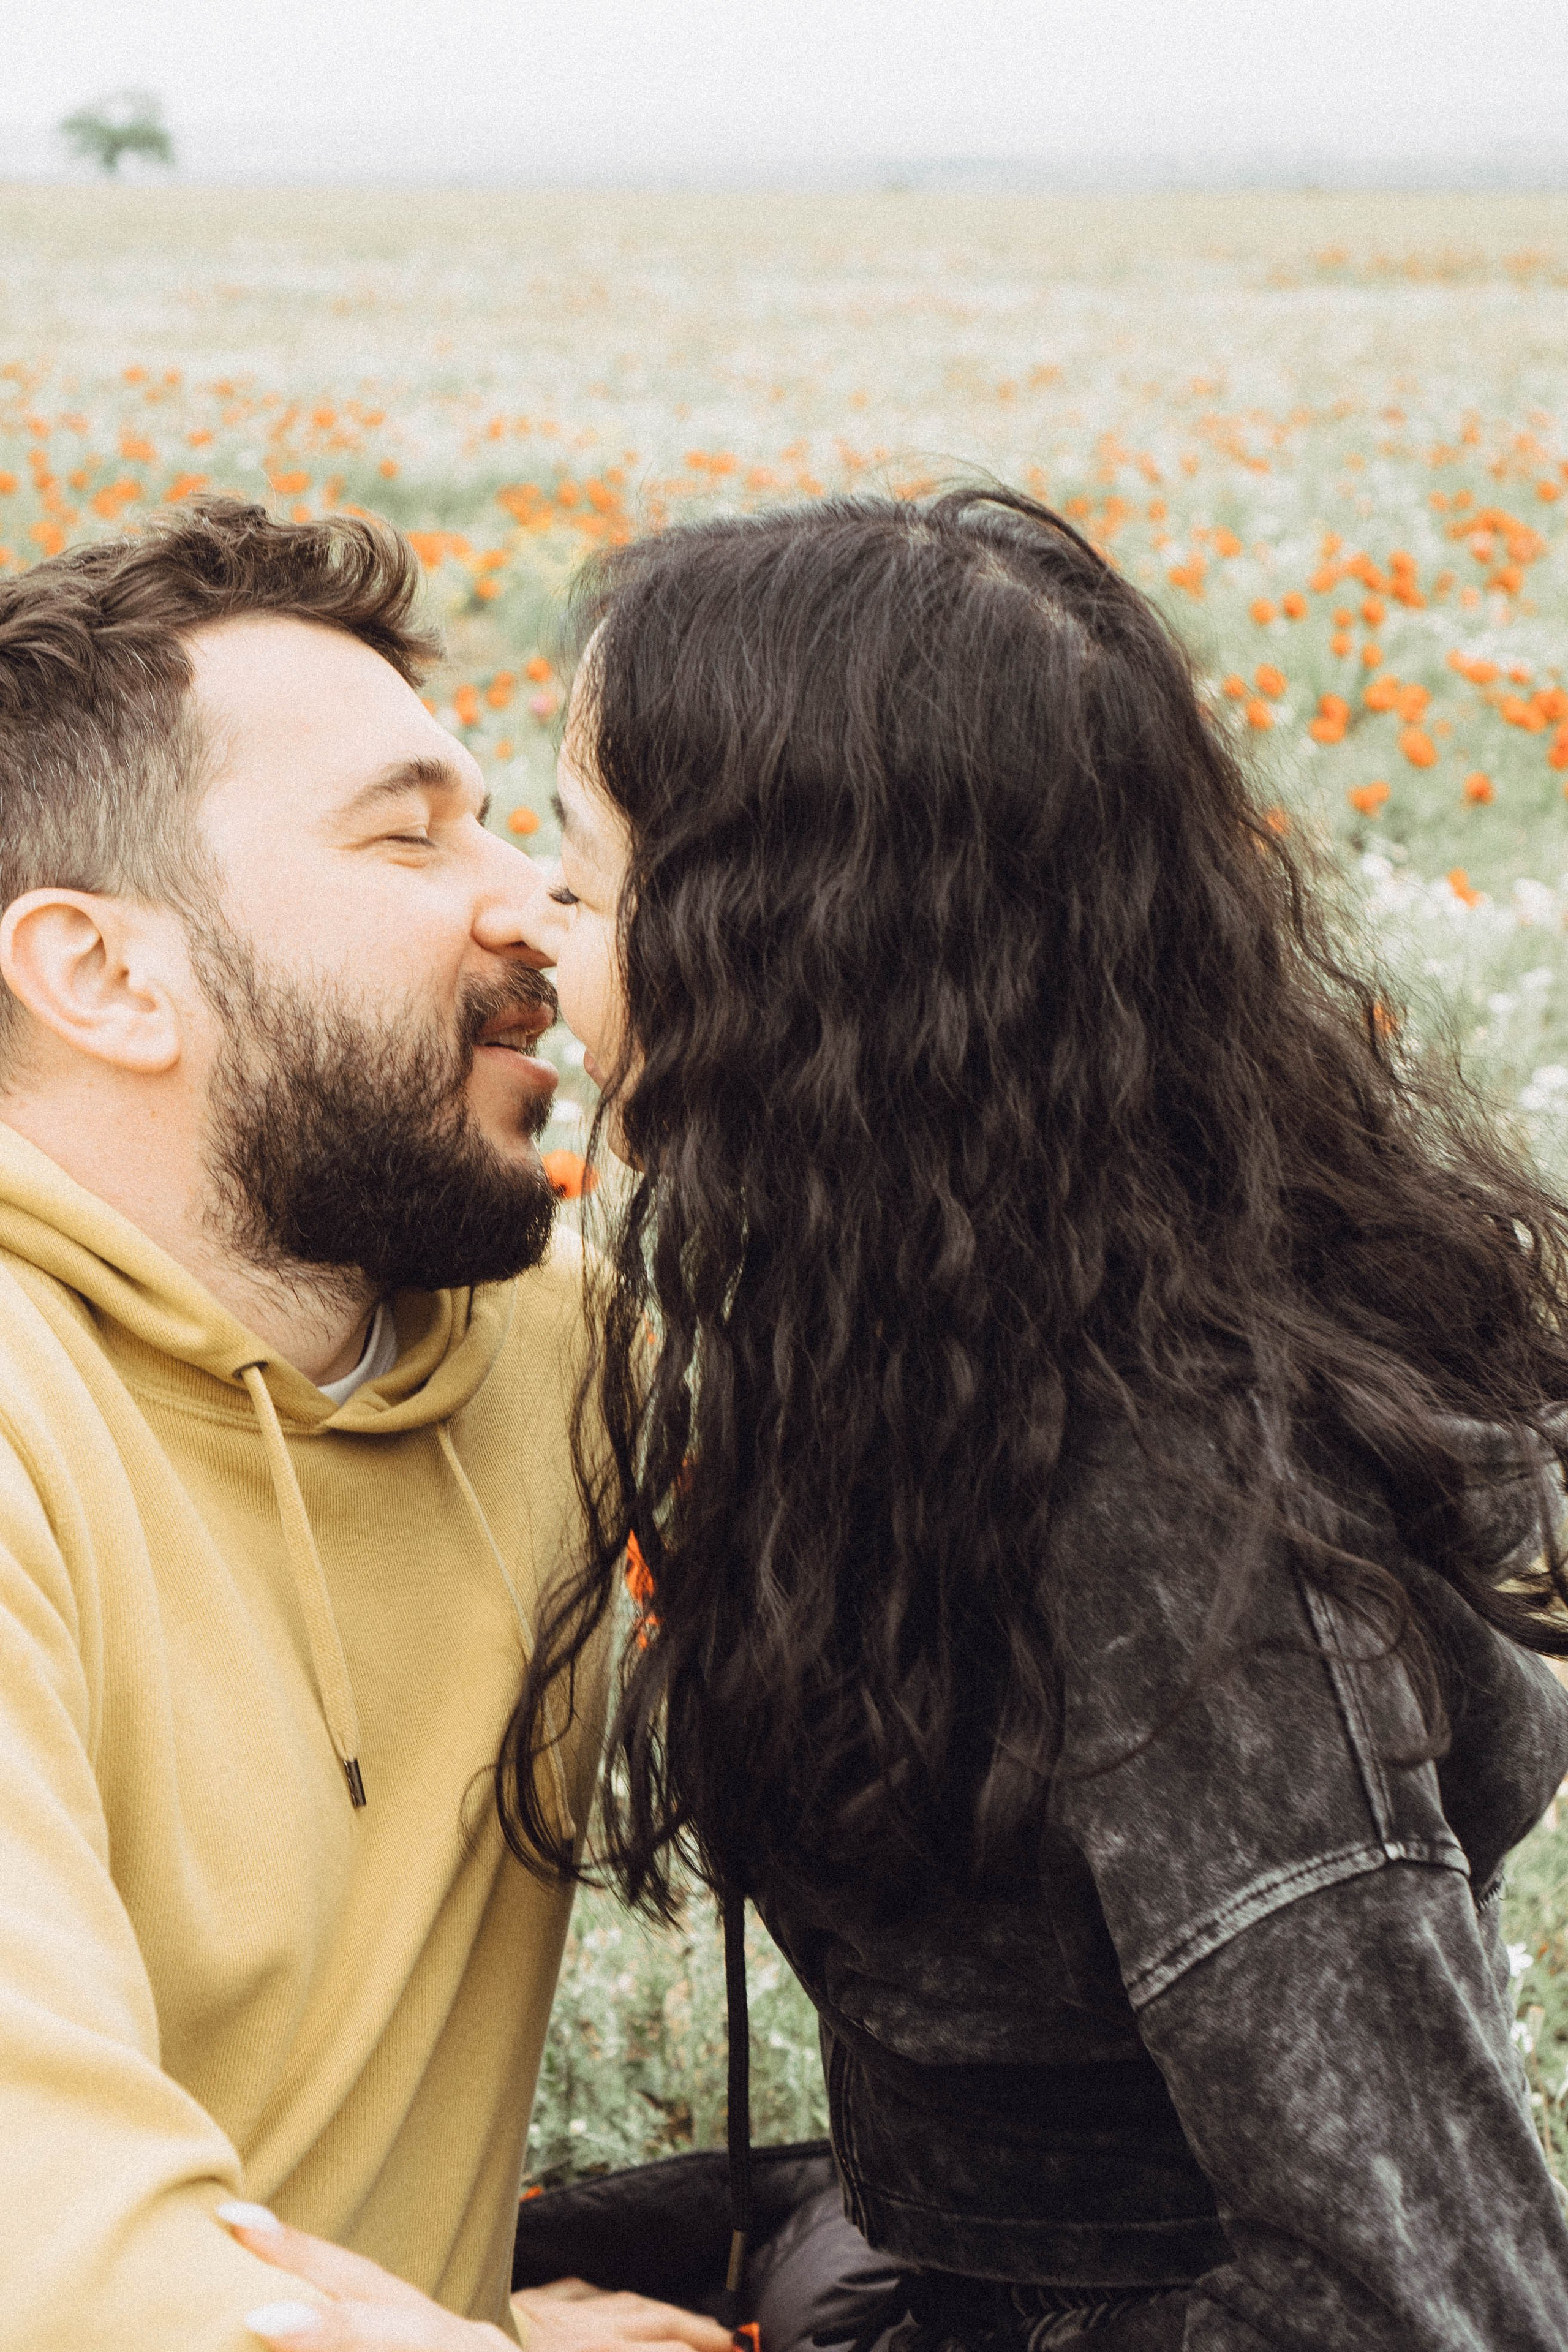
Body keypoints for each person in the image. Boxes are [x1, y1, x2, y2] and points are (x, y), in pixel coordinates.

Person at [240, 488, 1568, 2352]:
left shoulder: (1180, 1510)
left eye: (584, 869)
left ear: (792, 955)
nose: (535, 926)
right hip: (938, 2252)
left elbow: (1437, 2307)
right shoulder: (907, 1313)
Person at [0, 500, 734, 2352]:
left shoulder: (564, 1354)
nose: (532, 902)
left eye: (505, 821)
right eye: (410, 834)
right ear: (101, 975)